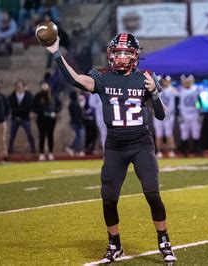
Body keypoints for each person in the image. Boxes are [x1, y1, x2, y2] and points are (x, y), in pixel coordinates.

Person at [42, 33, 176, 263]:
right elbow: (75, 79)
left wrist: (153, 92)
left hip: (141, 144)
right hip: (115, 145)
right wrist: (56, 52)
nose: (122, 57)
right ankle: (115, 245)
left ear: (135, 56)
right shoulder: (102, 77)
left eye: (126, 53)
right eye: (118, 53)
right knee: (109, 198)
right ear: (111, 55)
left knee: (152, 192)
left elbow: (161, 116)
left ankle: (164, 241)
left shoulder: (145, 77)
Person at [32, 80, 61, 161]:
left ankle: (51, 153)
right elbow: (33, 106)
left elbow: (59, 104)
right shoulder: (38, 95)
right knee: (42, 136)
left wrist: (55, 112)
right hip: (41, 119)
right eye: (42, 85)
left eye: (45, 85)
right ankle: (41, 153)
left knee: (50, 136)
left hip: (51, 119)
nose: (44, 86)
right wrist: (38, 112)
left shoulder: (53, 95)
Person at [8, 78, 36, 154]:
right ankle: (10, 151)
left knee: (29, 134)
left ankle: (33, 150)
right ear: (15, 87)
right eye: (17, 86)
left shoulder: (29, 95)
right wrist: (16, 115)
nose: (19, 87)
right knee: (12, 136)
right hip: (15, 118)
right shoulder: (11, 96)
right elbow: (11, 107)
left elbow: (30, 106)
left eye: (20, 86)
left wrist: (23, 113)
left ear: (24, 87)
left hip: (25, 118)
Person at [177, 74, 202, 156]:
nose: (187, 83)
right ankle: (185, 150)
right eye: (185, 81)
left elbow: (199, 103)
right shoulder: (179, 90)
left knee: (196, 133)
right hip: (184, 114)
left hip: (194, 114)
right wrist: (178, 114)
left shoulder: (196, 90)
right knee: (184, 134)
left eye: (188, 81)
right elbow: (177, 104)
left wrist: (200, 113)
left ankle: (196, 150)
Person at [153, 75, 177, 158]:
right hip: (158, 115)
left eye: (167, 81)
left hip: (169, 116)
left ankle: (171, 150)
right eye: (164, 80)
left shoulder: (172, 90)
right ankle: (159, 151)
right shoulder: (157, 90)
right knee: (159, 134)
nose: (165, 82)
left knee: (169, 133)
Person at [66, 90, 85, 157]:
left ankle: (73, 149)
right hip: (76, 122)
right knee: (79, 137)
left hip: (75, 122)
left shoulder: (72, 104)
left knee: (78, 137)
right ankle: (76, 150)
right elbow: (76, 115)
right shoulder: (74, 104)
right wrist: (79, 122)